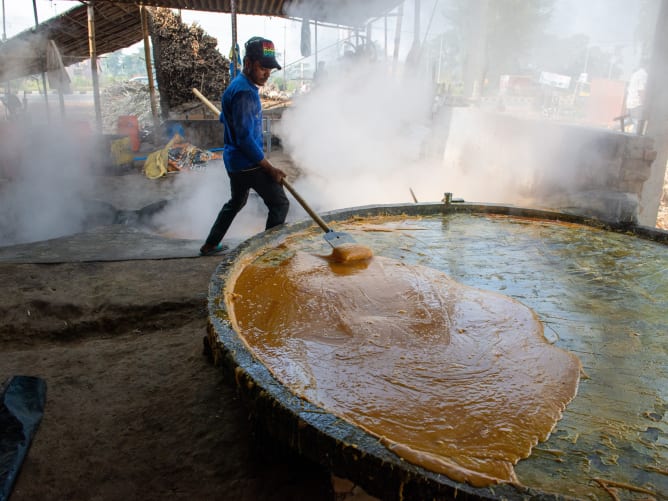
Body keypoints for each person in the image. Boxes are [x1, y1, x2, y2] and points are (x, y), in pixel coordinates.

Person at [200, 37, 289, 256]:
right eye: (263, 67)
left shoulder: (238, 85)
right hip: (247, 163)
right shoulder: (245, 93)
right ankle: (269, 253)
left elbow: (225, 118)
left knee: (236, 202)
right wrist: (270, 168)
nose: (267, 73)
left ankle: (211, 244)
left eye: (270, 69)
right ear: (248, 63)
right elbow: (245, 140)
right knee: (279, 204)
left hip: (233, 161)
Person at [625, 58, 649, 134]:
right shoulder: (643, 75)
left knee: (628, 121)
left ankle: (611, 130)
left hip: (630, 103)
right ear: (647, 65)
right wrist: (645, 105)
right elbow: (641, 91)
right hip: (637, 104)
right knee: (637, 127)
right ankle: (633, 143)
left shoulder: (636, 73)